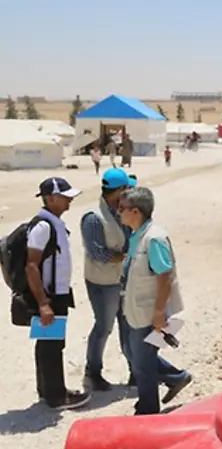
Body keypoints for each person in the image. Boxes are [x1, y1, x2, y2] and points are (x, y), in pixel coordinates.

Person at [118, 186, 193, 414]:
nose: (118, 212)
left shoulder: (154, 239)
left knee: (142, 364)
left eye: (122, 209)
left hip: (150, 313)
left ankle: (148, 411)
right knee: (137, 355)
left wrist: (159, 312)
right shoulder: (136, 236)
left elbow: (165, 276)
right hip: (136, 310)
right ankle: (177, 377)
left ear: (136, 212)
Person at [26, 178, 90, 409]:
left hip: (55, 294)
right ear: (51, 198)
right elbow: (31, 266)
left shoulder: (53, 223)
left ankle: (47, 390)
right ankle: (56, 396)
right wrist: (44, 303)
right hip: (49, 296)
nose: (70, 199)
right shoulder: (43, 226)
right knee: (52, 346)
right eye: (65, 196)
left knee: (47, 343)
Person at [80, 168, 136, 391]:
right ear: (119, 190)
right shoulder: (94, 217)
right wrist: (125, 256)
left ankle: (135, 371)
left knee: (129, 325)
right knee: (104, 327)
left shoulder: (120, 210)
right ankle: (92, 373)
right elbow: (97, 252)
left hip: (122, 278)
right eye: (127, 188)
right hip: (103, 282)